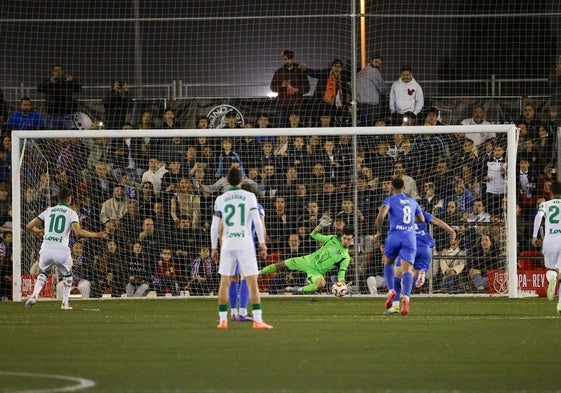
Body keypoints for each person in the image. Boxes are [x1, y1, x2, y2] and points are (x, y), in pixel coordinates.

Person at [24, 188, 107, 310]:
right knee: (68, 275)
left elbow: (29, 226)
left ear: (58, 198)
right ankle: (65, 303)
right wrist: (96, 234)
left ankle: (34, 295)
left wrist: (39, 231)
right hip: (61, 250)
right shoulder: (71, 213)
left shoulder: (48, 211)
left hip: (46, 249)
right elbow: (78, 232)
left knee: (44, 272)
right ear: (69, 199)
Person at [210, 167, 271, 329]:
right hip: (245, 242)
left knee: (225, 281)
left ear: (227, 181)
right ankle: (257, 320)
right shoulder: (250, 197)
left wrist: (214, 248)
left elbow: (215, 226)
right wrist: (262, 243)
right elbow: (258, 222)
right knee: (252, 281)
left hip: (228, 243)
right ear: (241, 180)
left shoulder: (221, 199)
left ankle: (223, 320)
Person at [260, 214, 354, 295]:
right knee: (280, 265)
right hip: (307, 260)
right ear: (342, 237)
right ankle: (258, 273)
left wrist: (343, 286)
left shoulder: (345, 257)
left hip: (317, 272)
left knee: (321, 284)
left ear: (352, 240)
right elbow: (313, 235)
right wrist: (320, 226)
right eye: (345, 238)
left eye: (349, 239)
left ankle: (299, 290)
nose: (346, 241)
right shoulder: (332, 239)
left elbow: (341, 274)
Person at [387, 210, 456, 314]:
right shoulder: (421, 214)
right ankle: (420, 274)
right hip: (425, 249)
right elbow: (438, 221)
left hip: (409, 248)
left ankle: (395, 305)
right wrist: (451, 231)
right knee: (411, 276)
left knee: (397, 276)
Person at [372, 178, 424, 316]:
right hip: (409, 238)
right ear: (404, 188)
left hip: (395, 236)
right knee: (407, 270)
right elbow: (422, 219)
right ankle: (406, 298)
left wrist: (378, 231)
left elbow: (381, 216)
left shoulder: (389, 200)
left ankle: (391, 291)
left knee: (387, 263)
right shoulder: (413, 201)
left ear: (391, 187)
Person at [532, 180, 561, 314]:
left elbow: (538, 217)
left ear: (551, 192)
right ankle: (560, 305)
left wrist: (534, 235)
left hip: (550, 240)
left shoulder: (546, 204)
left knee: (551, 270)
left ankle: (552, 278)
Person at [270, 50, 310, 128]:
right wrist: (281, 85)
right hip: (282, 104)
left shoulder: (300, 71)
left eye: (289, 59)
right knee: (281, 127)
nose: (287, 61)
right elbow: (272, 87)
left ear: (293, 59)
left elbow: (307, 88)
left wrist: (297, 89)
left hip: (297, 104)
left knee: (298, 127)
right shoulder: (279, 72)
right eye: (285, 59)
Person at [37, 65, 82, 130]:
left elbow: (79, 89)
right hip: (52, 114)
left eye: (59, 70)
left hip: (66, 114)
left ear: (62, 72)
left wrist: (73, 81)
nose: (58, 72)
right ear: (52, 72)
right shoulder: (49, 81)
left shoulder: (67, 81)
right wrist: (49, 82)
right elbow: (39, 89)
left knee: (68, 135)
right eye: (56, 70)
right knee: (52, 135)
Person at [356, 54, 387, 126]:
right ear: (370, 60)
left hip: (360, 105)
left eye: (379, 63)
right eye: (376, 62)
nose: (377, 65)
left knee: (363, 126)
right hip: (371, 106)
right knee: (371, 127)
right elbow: (382, 89)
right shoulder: (374, 71)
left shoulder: (360, 73)